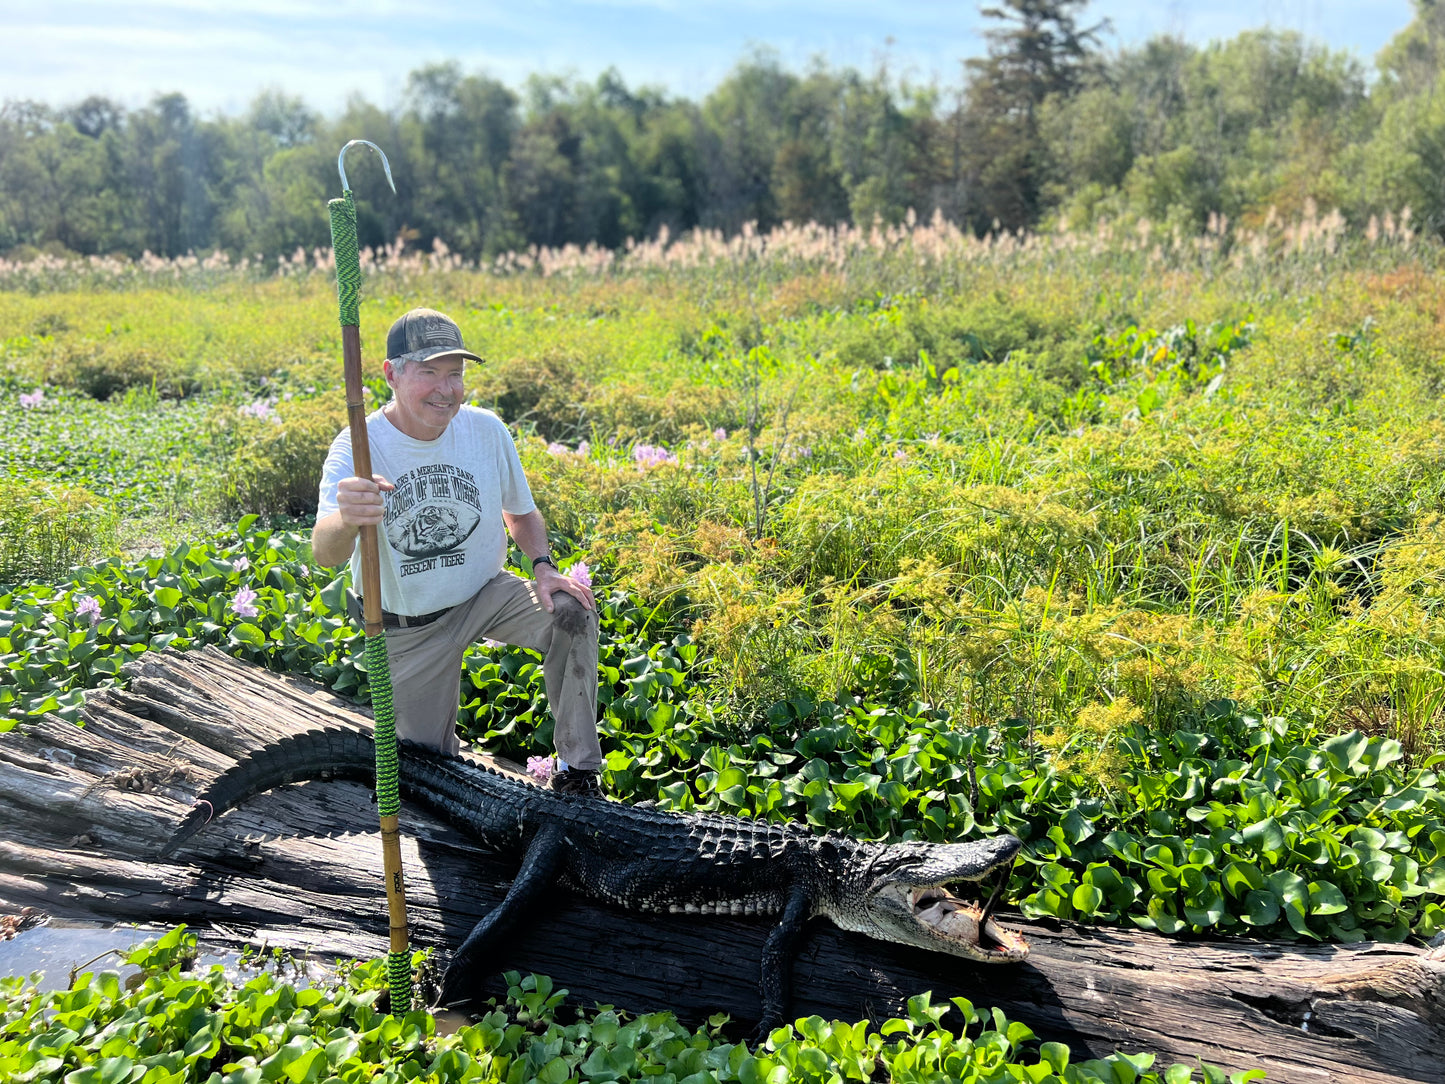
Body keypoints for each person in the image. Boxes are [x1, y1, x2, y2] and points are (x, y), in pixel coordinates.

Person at [312, 308, 604, 797]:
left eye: (455, 374)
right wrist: (348, 515)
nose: (445, 389)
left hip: (484, 593)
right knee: (429, 774)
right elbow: (325, 552)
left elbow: (522, 513)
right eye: (429, 372)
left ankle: (579, 774)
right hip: (407, 625)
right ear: (391, 374)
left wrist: (543, 567)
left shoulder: (485, 430)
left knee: (571, 612)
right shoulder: (359, 446)